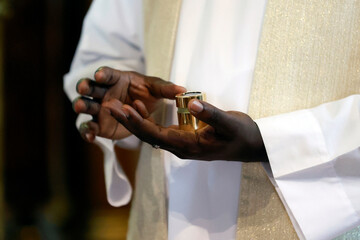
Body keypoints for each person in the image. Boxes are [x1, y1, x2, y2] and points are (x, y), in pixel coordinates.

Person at [64, 0, 360, 239]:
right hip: (162, 210)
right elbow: (104, 50)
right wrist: (124, 103)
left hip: (313, 206)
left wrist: (272, 143)